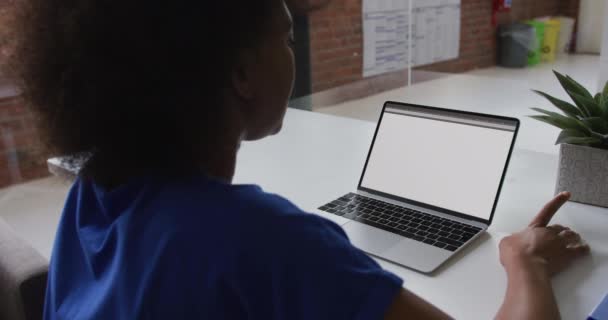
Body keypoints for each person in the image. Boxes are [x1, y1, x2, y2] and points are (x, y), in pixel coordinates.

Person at [9, 0, 590, 319]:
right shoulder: (262, 239)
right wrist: (523, 261)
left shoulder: (94, 193)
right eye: (285, 39)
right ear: (240, 73)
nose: (291, 54)